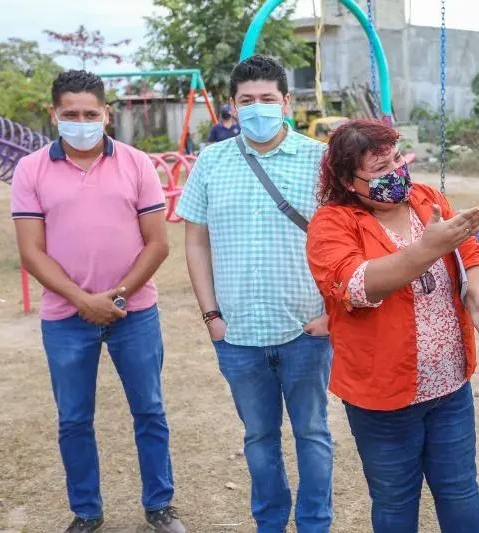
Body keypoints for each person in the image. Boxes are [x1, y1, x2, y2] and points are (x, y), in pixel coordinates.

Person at [306, 119, 479, 533]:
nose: (397, 172)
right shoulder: (332, 223)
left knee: (459, 490)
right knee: (396, 500)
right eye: (380, 169)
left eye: (397, 159)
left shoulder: (426, 199)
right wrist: (426, 249)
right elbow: (356, 286)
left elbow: (470, 251)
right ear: (349, 180)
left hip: (450, 385)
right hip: (382, 397)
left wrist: (478, 293)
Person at [10, 70, 185, 533]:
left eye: (91, 113)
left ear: (107, 114)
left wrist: (117, 296)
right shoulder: (32, 170)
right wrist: (82, 299)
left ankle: (160, 506)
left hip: (135, 311)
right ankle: (86, 511)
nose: (81, 121)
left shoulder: (136, 163)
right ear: (55, 114)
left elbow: (157, 243)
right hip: (66, 317)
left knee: (149, 409)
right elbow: (31, 251)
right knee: (73, 418)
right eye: (71, 114)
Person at [176, 55, 333, 533]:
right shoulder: (211, 161)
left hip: (305, 328)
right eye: (248, 101)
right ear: (232, 107)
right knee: (259, 436)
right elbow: (196, 240)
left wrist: (332, 313)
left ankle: (314, 524)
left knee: (312, 433)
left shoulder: (321, 161)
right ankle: (269, 523)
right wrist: (211, 317)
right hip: (237, 332)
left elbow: (345, 241)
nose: (259, 108)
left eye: (268, 99)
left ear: (287, 102)